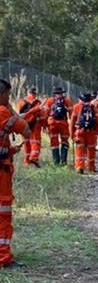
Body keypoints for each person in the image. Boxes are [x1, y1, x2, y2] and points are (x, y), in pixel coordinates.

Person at [0, 79, 31, 268]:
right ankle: (3, 257)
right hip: (1, 174)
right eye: (8, 96)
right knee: (3, 214)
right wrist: (11, 109)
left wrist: (9, 150)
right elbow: (26, 130)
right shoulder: (3, 112)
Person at [70, 93, 98, 174]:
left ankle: (80, 167)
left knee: (80, 149)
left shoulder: (76, 106)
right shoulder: (94, 107)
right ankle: (91, 167)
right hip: (91, 132)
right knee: (91, 149)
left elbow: (72, 121)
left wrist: (72, 133)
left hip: (80, 131)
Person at [43, 87, 73, 165]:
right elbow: (71, 114)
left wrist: (44, 125)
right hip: (63, 123)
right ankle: (63, 161)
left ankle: (56, 162)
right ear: (62, 93)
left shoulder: (50, 100)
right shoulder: (67, 100)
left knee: (54, 142)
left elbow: (45, 113)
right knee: (65, 141)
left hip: (52, 123)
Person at [16, 87, 46, 167]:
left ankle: (27, 160)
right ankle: (33, 157)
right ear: (35, 94)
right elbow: (43, 115)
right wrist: (44, 125)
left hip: (24, 124)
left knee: (26, 142)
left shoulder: (21, 102)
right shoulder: (38, 103)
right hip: (36, 124)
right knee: (35, 141)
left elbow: (18, 115)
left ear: (28, 92)